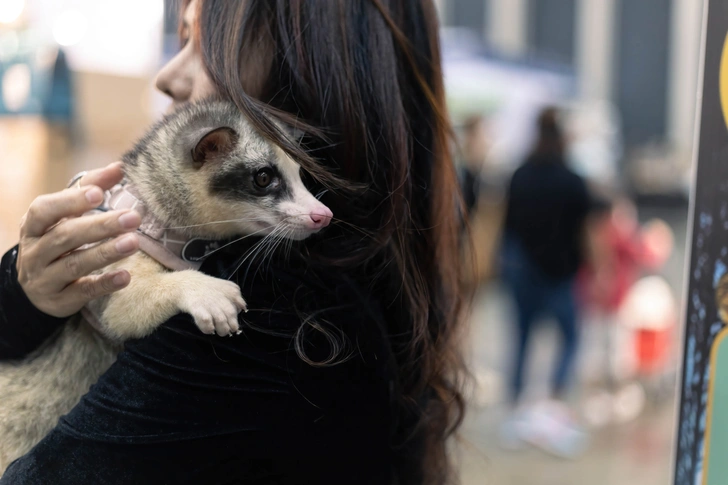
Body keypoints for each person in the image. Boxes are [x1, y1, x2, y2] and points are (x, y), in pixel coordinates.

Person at [0, 1, 466, 484]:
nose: (167, 77)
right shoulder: (367, 285)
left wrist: (19, 307)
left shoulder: (263, 314)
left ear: (305, 65)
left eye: (207, 45)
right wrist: (24, 295)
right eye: (181, 39)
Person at [499, 107, 591, 457]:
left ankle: (515, 409)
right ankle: (555, 403)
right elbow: (585, 231)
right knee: (569, 338)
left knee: (521, 339)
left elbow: (508, 226)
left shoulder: (520, 174)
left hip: (523, 270)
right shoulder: (573, 178)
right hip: (562, 273)